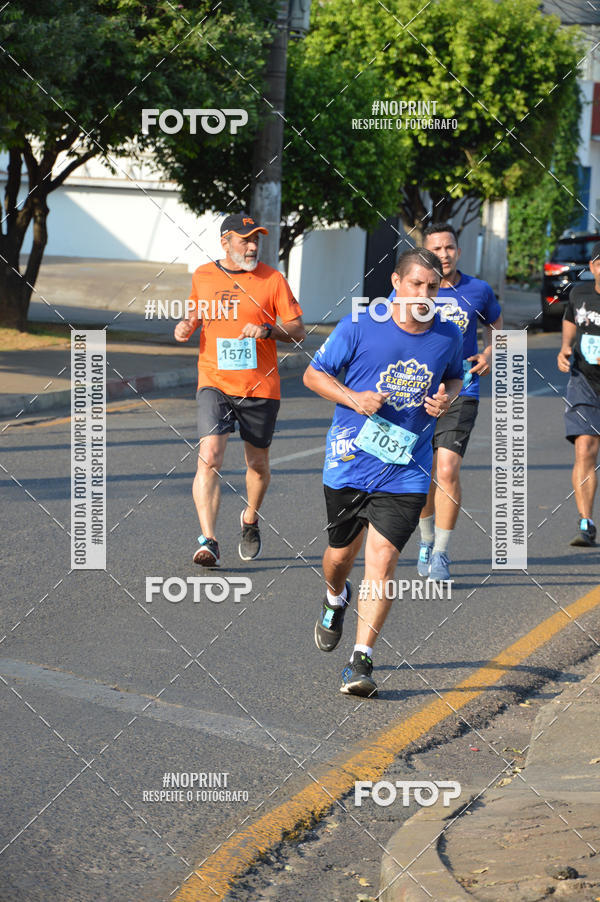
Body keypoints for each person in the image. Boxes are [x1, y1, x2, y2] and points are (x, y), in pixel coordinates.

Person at [304, 248, 464, 697]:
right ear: (396, 282)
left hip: (407, 468)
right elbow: (314, 376)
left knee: (384, 560)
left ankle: (361, 661)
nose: (425, 294)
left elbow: (454, 377)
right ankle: (335, 598)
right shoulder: (359, 325)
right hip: (351, 463)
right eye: (417, 284)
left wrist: (446, 398)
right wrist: (354, 398)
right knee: (339, 558)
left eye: (433, 287)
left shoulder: (447, 336)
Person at [175, 212, 305, 566]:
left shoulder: (272, 279)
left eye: (255, 239)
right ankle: (209, 540)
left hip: (260, 386)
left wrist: (267, 330)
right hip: (213, 381)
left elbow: (297, 330)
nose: (251, 246)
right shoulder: (203, 275)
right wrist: (187, 325)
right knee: (210, 458)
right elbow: (196, 314)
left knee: (257, 464)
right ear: (225, 242)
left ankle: (250, 518)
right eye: (244, 239)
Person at [388, 223, 502, 581]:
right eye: (436, 248)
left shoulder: (478, 290)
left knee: (447, 469)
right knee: (423, 475)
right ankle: (425, 540)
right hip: (415, 393)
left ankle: (441, 553)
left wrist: (489, 352)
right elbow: (390, 332)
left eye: (449, 247)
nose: (444, 254)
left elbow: (496, 325)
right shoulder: (409, 289)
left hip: (460, 390)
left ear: (458, 251)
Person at [557, 241, 600, 546]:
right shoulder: (579, 293)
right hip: (584, 379)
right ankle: (586, 523)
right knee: (585, 447)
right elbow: (570, 320)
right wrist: (564, 348)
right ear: (595, 267)